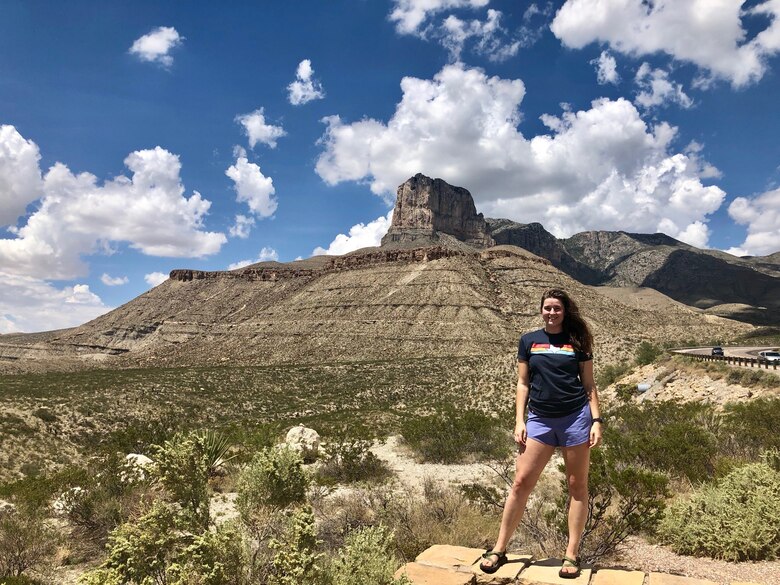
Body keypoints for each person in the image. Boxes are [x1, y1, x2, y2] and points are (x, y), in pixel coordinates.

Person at [479, 288, 603, 579]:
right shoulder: (528, 341)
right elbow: (523, 383)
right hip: (539, 420)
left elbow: (589, 385)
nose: (551, 313)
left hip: (575, 420)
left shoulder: (578, 342)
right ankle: (499, 548)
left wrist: (596, 420)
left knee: (577, 487)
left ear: (564, 311)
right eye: (547, 308)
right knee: (521, 482)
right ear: (541, 310)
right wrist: (519, 420)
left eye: (556, 309)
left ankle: (571, 554)